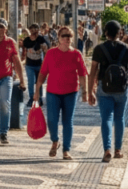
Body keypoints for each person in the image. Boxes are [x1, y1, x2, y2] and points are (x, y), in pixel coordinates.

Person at [88, 21, 128, 162]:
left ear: (105, 33)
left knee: (106, 118)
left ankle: (107, 150)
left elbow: (93, 71)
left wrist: (89, 91)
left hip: (104, 89)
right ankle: (118, 150)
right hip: (122, 89)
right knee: (119, 119)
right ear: (120, 33)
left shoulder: (99, 49)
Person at [36, 26, 89, 160]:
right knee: (52, 120)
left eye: (69, 36)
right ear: (58, 38)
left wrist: (85, 92)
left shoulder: (76, 54)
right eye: (64, 36)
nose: (67, 38)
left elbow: (83, 74)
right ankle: (55, 141)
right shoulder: (51, 53)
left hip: (71, 92)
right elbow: (43, 73)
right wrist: (37, 90)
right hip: (53, 92)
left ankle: (66, 149)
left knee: (68, 121)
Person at [21, 23, 49, 107]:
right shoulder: (26, 40)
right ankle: (31, 98)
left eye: (35, 30)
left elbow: (46, 51)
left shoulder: (41, 39)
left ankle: (39, 98)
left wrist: (46, 63)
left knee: (39, 82)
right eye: (32, 31)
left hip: (39, 64)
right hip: (29, 64)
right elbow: (24, 50)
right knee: (31, 82)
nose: (33, 33)